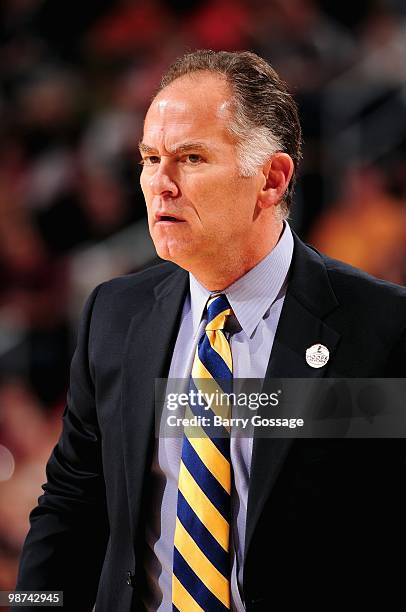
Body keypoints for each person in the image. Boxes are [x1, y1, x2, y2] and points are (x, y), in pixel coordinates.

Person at [15, 50, 406, 611]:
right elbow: (72, 500)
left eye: (191, 158)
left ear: (271, 179)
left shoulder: (383, 327)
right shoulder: (115, 314)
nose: (159, 184)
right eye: (150, 158)